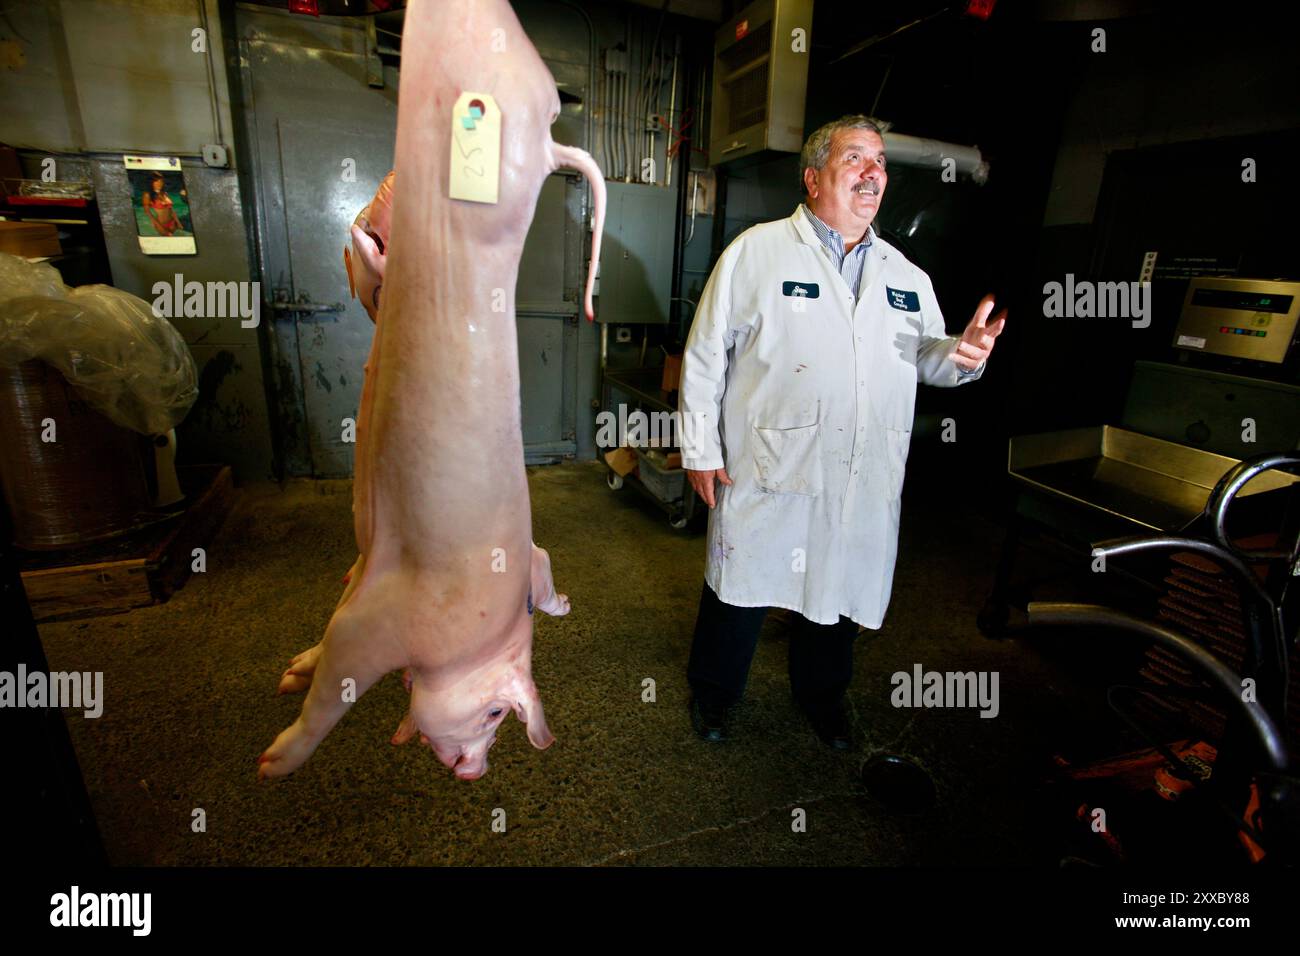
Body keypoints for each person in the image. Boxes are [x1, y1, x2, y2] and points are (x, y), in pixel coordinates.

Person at [678, 115, 1006, 748]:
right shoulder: (757, 252)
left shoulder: (908, 277)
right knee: (740, 587)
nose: (873, 172)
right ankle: (714, 696)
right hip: (770, 462)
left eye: (879, 162)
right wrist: (699, 448)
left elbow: (929, 359)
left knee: (837, 595)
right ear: (813, 178)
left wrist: (964, 355)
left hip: (862, 471)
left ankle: (822, 697)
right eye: (855, 158)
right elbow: (704, 356)